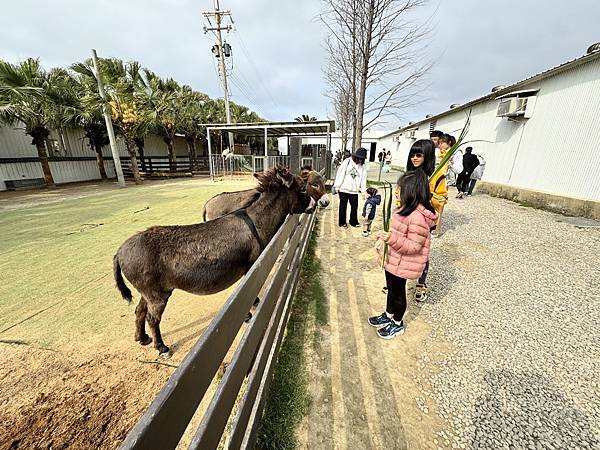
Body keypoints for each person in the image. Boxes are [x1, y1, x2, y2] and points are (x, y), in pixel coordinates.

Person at [369, 170, 437, 339]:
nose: (396, 191)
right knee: (391, 289)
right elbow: (395, 233)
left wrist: (391, 239)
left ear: (412, 192)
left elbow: (414, 246)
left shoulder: (417, 218)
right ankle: (388, 314)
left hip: (404, 263)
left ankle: (397, 323)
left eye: (400, 188)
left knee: (399, 293)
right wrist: (383, 239)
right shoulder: (403, 210)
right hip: (393, 260)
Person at [333, 147, 368, 227]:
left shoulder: (363, 166)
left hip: (354, 190)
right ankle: (342, 222)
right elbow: (340, 173)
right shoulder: (347, 161)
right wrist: (337, 186)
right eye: (359, 158)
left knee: (354, 206)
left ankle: (353, 221)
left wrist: (363, 190)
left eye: (362, 159)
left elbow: (363, 179)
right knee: (343, 206)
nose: (360, 160)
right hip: (344, 189)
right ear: (355, 156)